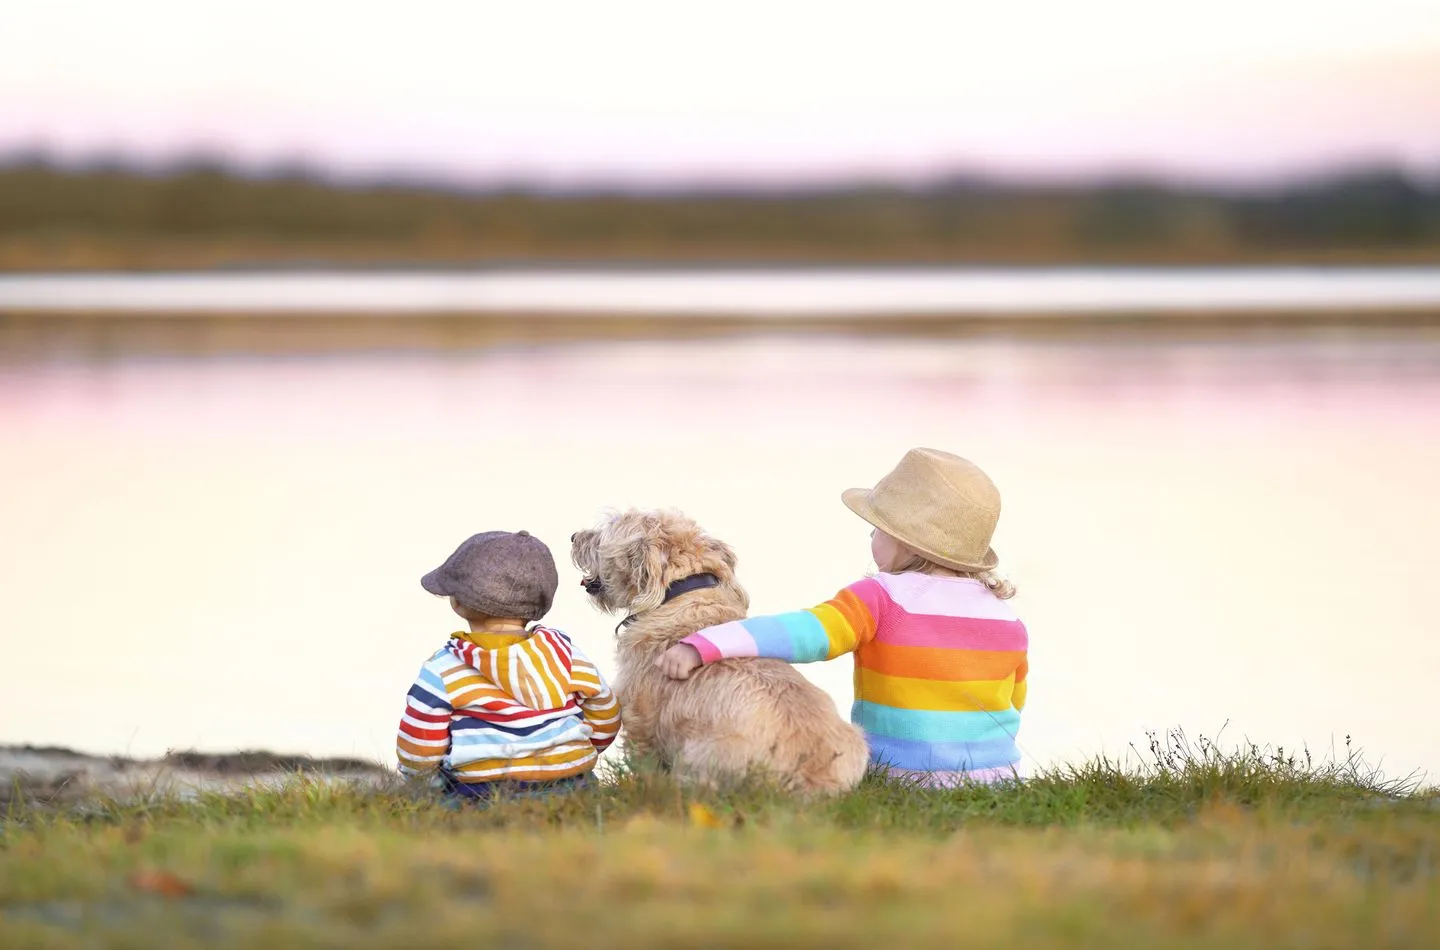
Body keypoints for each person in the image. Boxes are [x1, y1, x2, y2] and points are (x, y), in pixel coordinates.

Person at [657, 448, 1028, 787]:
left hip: (902, 777)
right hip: (998, 777)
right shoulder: (1007, 619)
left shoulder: (882, 598)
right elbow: (1013, 700)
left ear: (908, 542)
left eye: (879, 528)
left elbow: (804, 633)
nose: (870, 533)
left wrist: (706, 644)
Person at [397, 530, 620, 802]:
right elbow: (606, 714)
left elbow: (418, 749)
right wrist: (573, 754)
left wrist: (428, 789)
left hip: (480, 796)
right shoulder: (567, 656)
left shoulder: (443, 670)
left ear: (457, 602)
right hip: (574, 789)